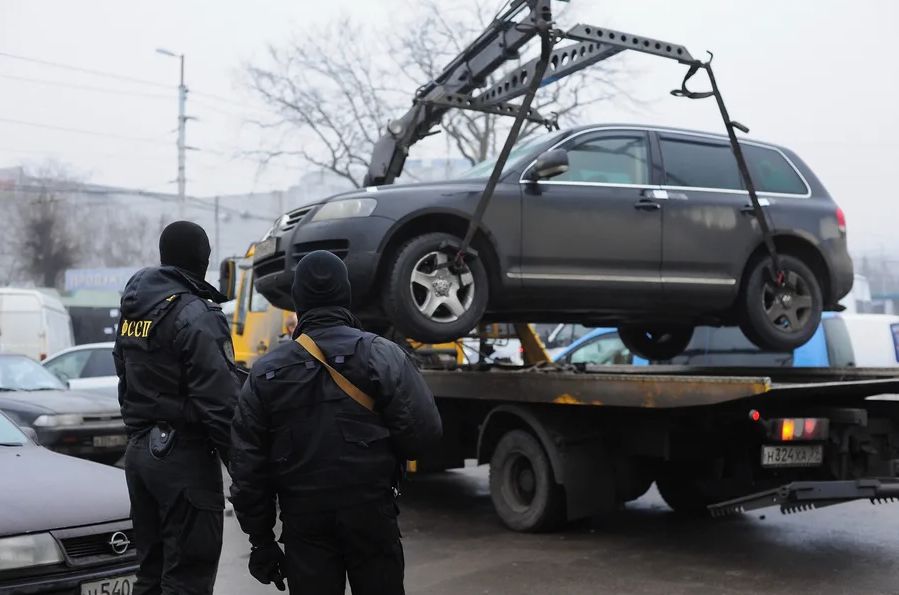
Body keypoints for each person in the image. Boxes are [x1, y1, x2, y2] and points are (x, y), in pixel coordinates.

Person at [230, 250, 443, 595]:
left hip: (304, 522)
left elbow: (247, 468)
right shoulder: (382, 354)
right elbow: (424, 434)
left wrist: (261, 541)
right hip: (371, 514)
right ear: (346, 294)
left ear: (297, 301)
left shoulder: (265, 372)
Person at [113, 221, 240, 595]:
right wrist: (246, 472)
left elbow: (124, 376)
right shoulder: (196, 314)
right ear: (203, 261)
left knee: (151, 574)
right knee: (187, 578)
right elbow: (221, 404)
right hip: (183, 460)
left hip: (140, 455)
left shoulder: (134, 310)